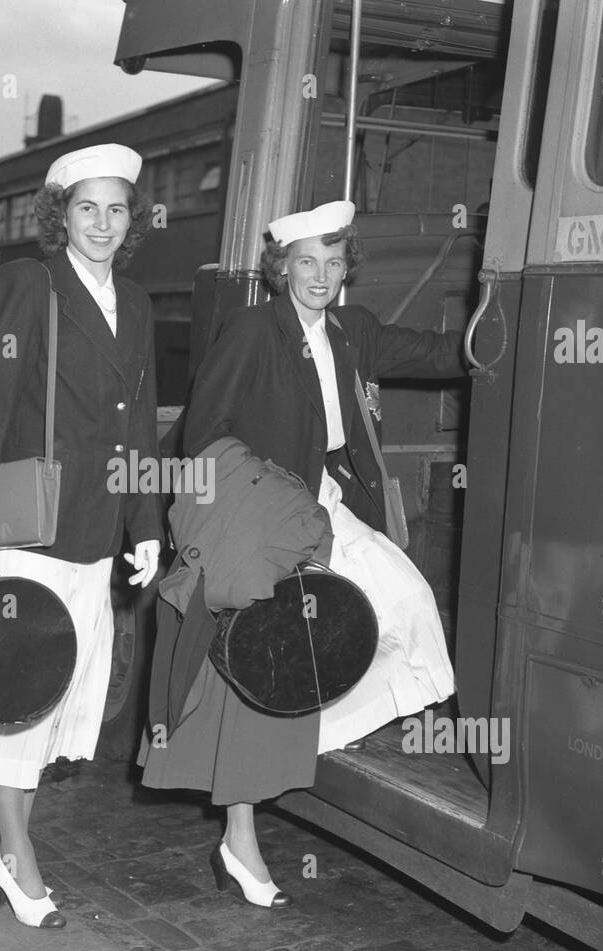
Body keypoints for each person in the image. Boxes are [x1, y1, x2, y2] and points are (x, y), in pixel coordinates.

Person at [140, 200, 462, 906]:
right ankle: (242, 838)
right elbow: (205, 430)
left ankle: (316, 733)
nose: (321, 274)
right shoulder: (253, 329)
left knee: (404, 605)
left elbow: (438, 353)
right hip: (267, 511)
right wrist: (246, 509)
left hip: (325, 508)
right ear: (281, 269)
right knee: (263, 664)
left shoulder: (353, 330)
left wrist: (505, 333)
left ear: (348, 268)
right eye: (306, 261)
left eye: (334, 261)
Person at [0, 144, 162, 928]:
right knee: (18, 693)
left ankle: (6, 844)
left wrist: (144, 521)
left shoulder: (133, 303)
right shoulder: (26, 283)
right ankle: (16, 856)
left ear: (132, 219)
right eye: (87, 208)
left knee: (57, 694)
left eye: (117, 209)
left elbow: (139, 420)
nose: (102, 223)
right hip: (29, 525)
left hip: (97, 529)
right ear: (59, 214)